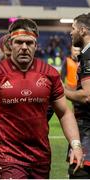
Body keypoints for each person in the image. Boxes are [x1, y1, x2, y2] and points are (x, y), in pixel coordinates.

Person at [0, 18, 83, 179]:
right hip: (7, 158)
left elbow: (64, 112)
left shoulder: (50, 74)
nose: (24, 47)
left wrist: (76, 145)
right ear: (10, 43)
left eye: (29, 43)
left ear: (36, 45)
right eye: (19, 42)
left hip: (41, 159)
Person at [65, 13, 90, 179]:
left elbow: (87, 96)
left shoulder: (89, 55)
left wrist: (59, 90)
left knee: (79, 173)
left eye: (73, 28)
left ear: (82, 30)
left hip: (87, 131)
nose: (70, 32)